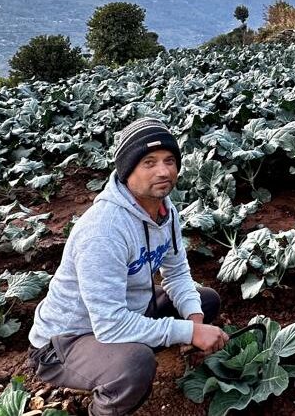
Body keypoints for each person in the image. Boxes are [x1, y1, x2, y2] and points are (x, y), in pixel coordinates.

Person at [27, 117, 225, 415]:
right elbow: (109, 325)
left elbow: (178, 273)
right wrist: (187, 334)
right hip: (66, 341)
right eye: (149, 162)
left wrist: (194, 323)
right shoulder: (103, 230)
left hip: (129, 310)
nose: (164, 171)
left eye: (169, 160)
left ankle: (142, 346)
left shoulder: (164, 211)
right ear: (127, 169)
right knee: (135, 364)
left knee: (204, 301)